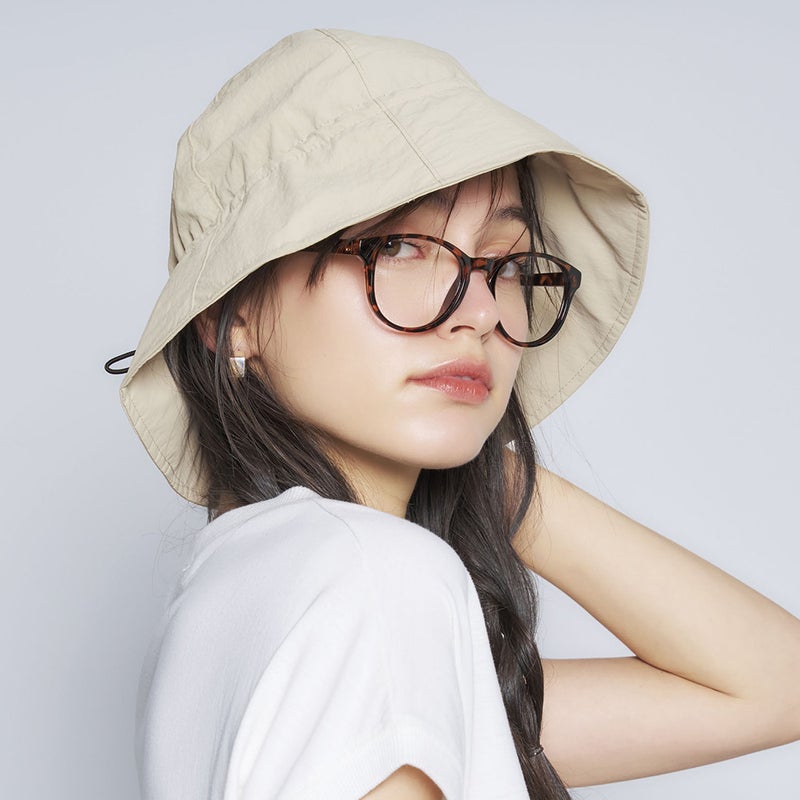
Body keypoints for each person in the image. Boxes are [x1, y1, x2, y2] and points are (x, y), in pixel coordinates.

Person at [107, 28, 800, 800]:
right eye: (400, 247)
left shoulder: (251, 602)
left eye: (506, 263)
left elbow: (776, 687)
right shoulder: (373, 580)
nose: (478, 310)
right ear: (230, 315)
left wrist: (485, 474)